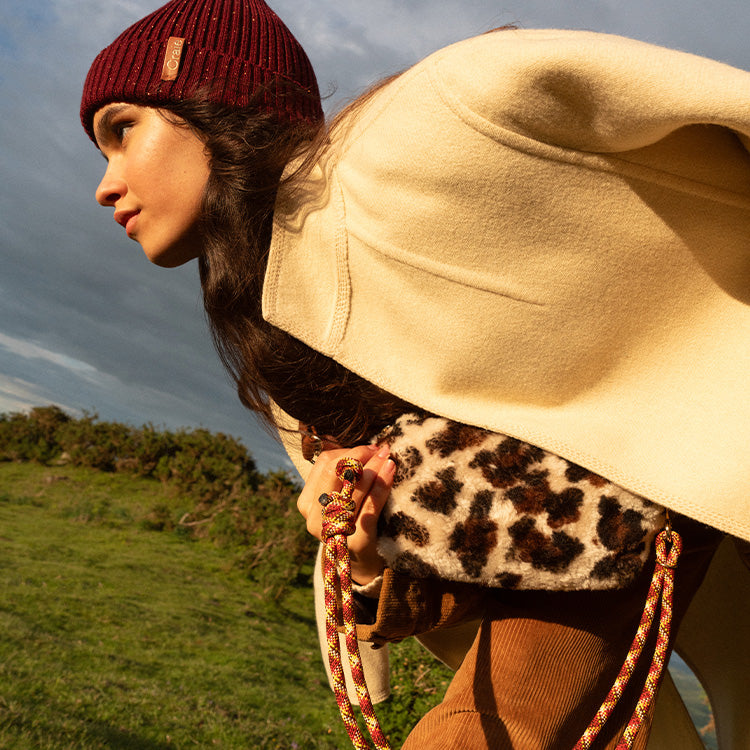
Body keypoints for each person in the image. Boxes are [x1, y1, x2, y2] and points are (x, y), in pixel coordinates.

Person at [81, 1, 750, 747]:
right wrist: (366, 548)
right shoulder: (287, 359)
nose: (106, 186)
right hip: (610, 560)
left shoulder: (445, 117)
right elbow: (463, 546)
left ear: (213, 102)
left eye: (122, 130)